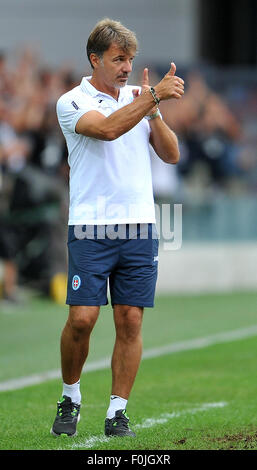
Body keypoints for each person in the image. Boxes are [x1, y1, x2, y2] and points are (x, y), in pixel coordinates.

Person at [51, 18, 184, 438]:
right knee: (83, 320)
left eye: (130, 59)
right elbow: (107, 130)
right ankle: (70, 396)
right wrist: (151, 98)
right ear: (95, 59)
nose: (126, 67)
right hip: (91, 227)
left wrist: (155, 107)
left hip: (139, 227)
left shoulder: (140, 99)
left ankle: (117, 412)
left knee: (129, 321)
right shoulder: (71, 101)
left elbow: (172, 154)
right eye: (118, 59)